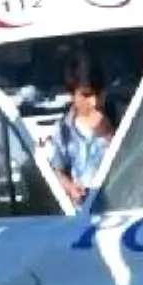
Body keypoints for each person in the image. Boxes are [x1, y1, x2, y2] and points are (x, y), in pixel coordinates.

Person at [51, 55, 114, 204]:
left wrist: (110, 134)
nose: (94, 102)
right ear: (72, 95)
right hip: (84, 209)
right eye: (86, 95)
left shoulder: (120, 118)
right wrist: (71, 188)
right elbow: (57, 170)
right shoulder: (64, 130)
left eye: (98, 94)